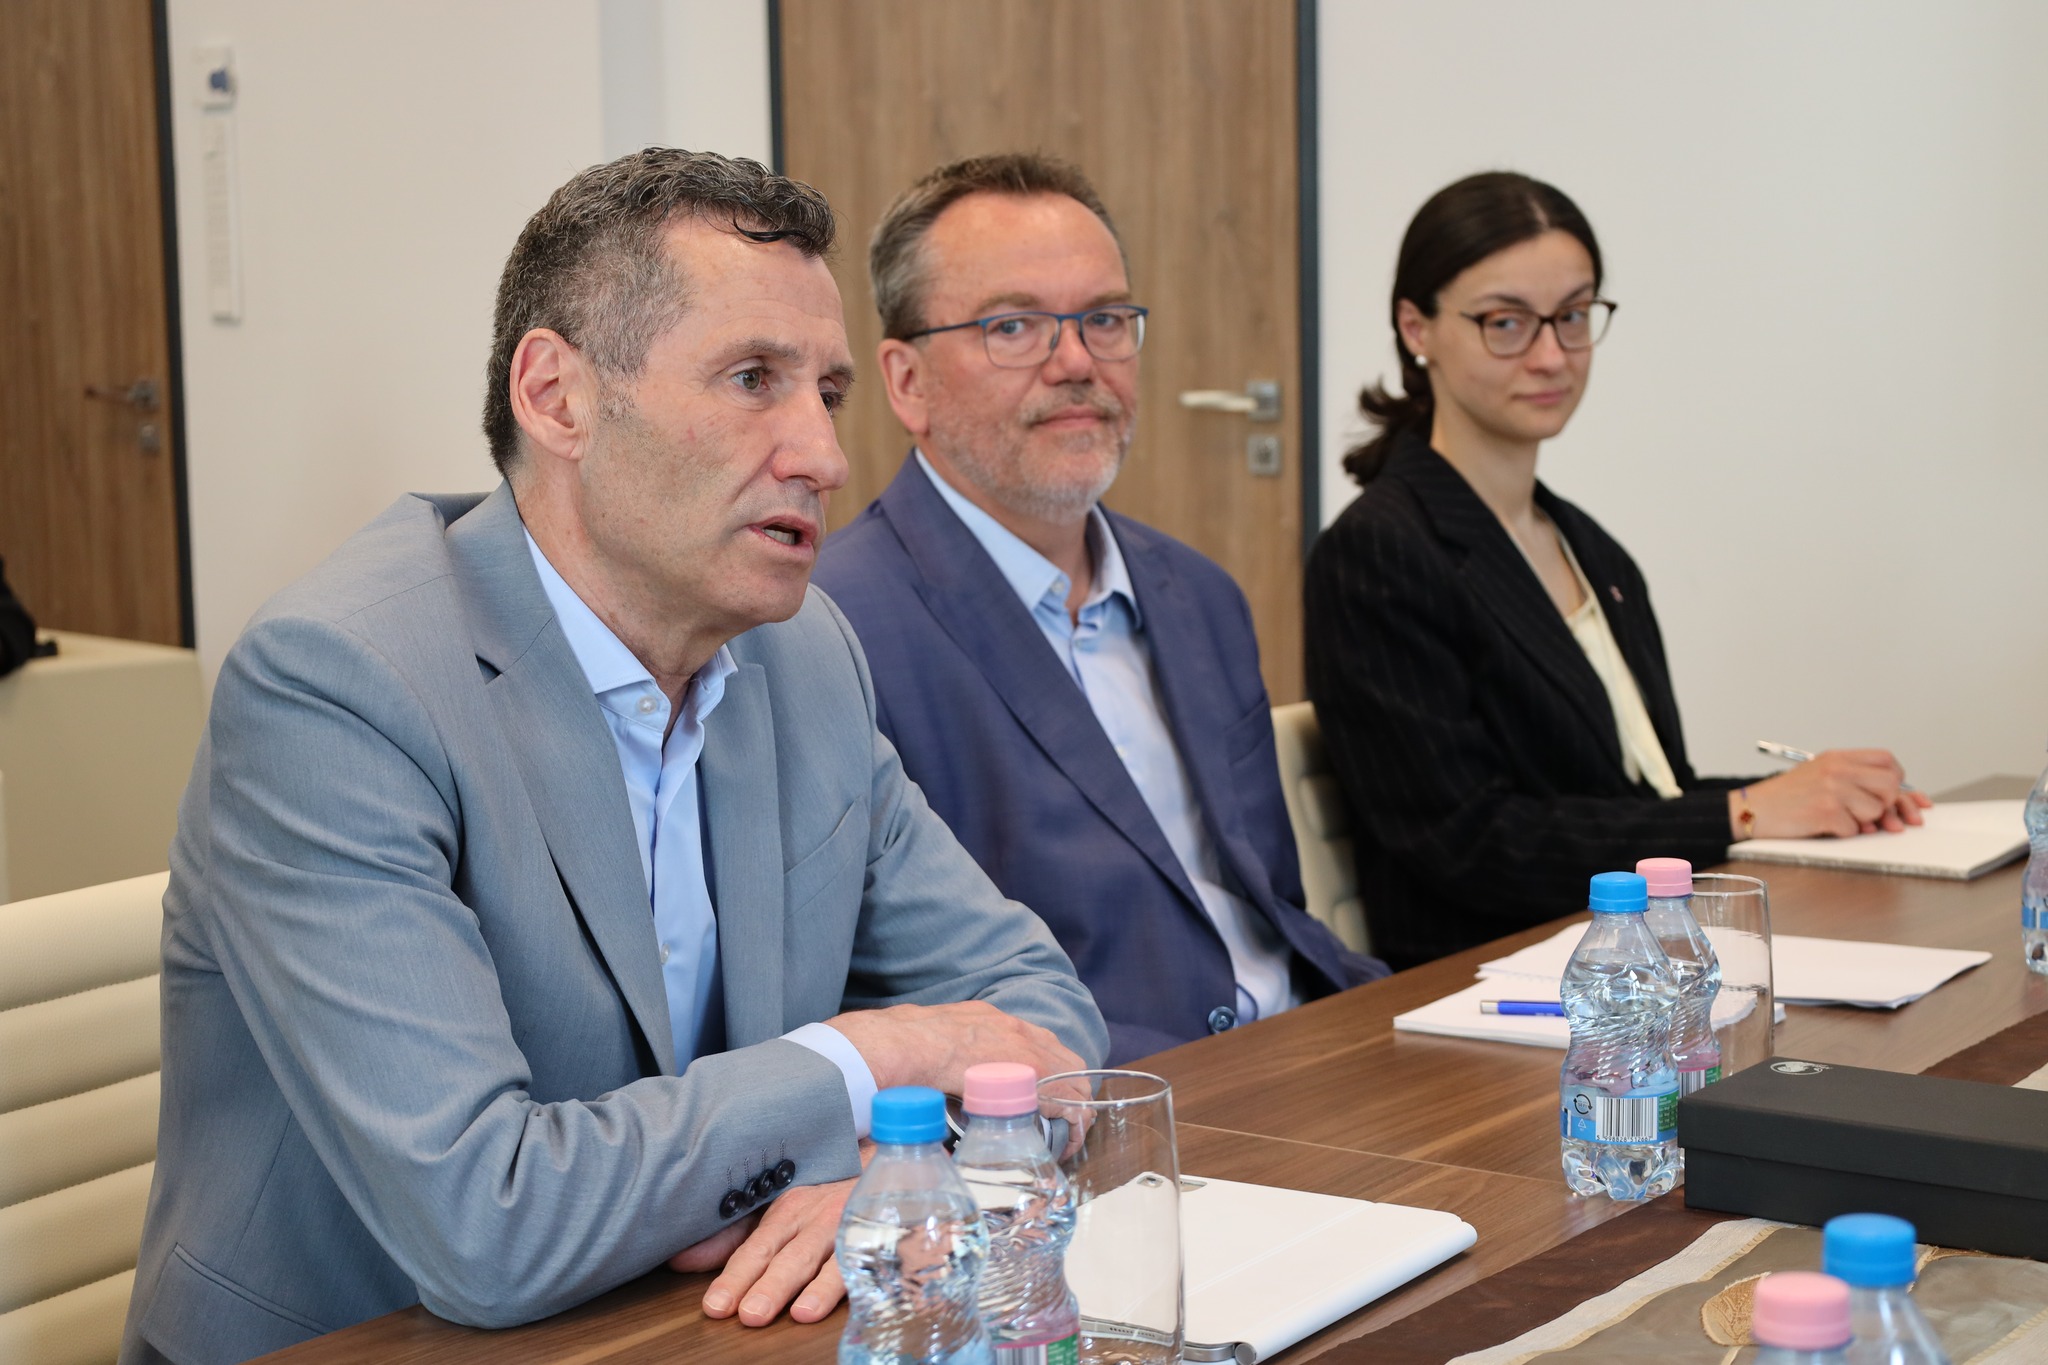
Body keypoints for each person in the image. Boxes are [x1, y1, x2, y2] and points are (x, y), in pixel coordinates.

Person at [120, 150, 1107, 1365]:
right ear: (557, 398)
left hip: (676, 1322)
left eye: (827, 391)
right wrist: (875, 1054)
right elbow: (487, 1223)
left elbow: (1036, 1013)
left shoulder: (802, 653)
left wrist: (906, 1172)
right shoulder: (339, 685)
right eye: (751, 380)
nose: (823, 455)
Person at [813, 153, 1385, 1064]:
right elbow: (884, 987)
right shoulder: (832, 633)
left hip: (1314, 1041)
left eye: (1106, 320)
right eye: (1013, 326)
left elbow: (1270, 901)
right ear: (906, 381)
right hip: (1103, 1095)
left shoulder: (1200, 594)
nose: (1077, 361)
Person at [1304, 171, 1929, 970]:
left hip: (1632, 960)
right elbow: (1470, 841)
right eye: (1505, 323)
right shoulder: (1378, 551)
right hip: (1488, 981)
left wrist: (1820, 797)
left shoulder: (1589, 548)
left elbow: (1640, 800)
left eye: (1572, 316)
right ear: (1415, 326)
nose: (1551, 356)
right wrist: (1743, 811)